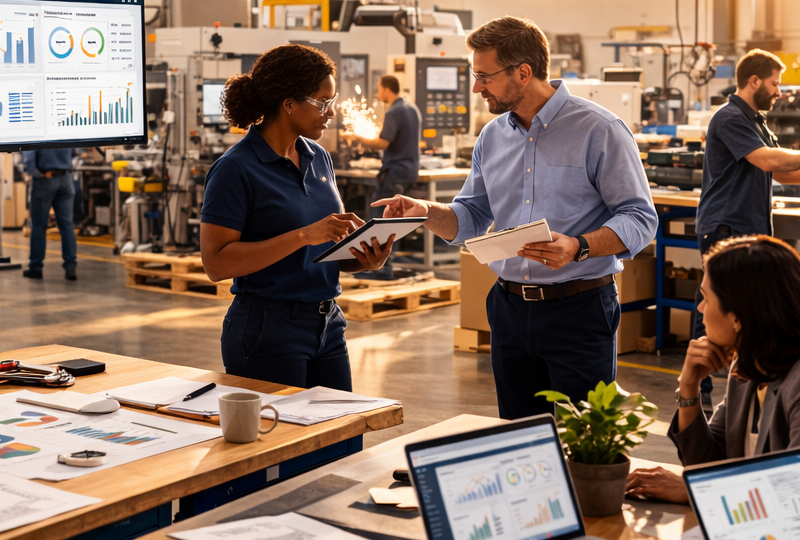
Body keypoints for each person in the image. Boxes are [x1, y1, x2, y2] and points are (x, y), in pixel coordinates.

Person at [374, 16, 658, 420]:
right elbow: (470, 217)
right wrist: (425, 213)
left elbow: (640, 219)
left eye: (484, 76)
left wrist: (578, 247)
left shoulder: (599, 130)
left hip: (578, 309)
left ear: (523, 73)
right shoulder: (492, 137)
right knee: (520, 440)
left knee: (584, 442)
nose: (476, 87)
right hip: (508, 309)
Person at [200, 44, 393, 391]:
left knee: (340, 436)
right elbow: (216, 264)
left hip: (328, 323)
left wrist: (362, 258)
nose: (331, 113)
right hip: (267, 327)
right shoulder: (235, 169)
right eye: (323, 102)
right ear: (289, 104)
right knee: (281, 439)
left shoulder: (318, 157)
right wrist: (304, 235)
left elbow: (320, 253)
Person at [627, 236, 800, 504]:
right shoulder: (747, 369)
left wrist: (698, 491)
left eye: (706, 298)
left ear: (737, 318)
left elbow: (794, 492)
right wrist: (688, 387)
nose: (700, 309)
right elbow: (706, 463)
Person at [693, 49, 800, 413]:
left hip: (746, 226)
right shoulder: (729, 117)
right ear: (753, 81)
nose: (779, 91)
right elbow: (767, 159)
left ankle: (745, 389)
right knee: (714, 308)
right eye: (775, 83)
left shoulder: (756, 121)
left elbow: (782, 172)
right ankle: (698, 390)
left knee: (747, 310)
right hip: (726, 225)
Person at [352, 75, 421, 219]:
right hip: (411, 172)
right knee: (398, 218)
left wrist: (357, 137)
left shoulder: (393, 112)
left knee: (381, 218)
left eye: (380, 89)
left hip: (395, 173)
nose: (378, 93)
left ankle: (383, 243)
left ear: (387, 90)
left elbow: (383, 143)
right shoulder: (413, 109)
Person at [22, 149, 78, 281]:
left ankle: (36, 268)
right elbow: (74, 151)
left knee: (39, 226)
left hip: (44, 180)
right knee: (67, 225)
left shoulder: (38, 131)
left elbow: (29, 158)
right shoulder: (64, 130)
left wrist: (35, 173)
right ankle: (70, 267)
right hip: (66, 179)